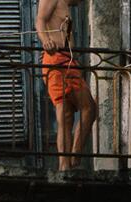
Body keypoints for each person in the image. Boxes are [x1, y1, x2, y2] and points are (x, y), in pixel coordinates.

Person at [34, 0, 95, 170]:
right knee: (88, 108)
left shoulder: (66, 7)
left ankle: (66, 165)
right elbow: (40, 20)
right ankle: (72, 158)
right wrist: (46, 42)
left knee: (66, 115)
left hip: (65, 60)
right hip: (58, 60)